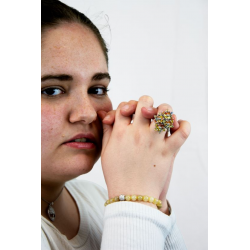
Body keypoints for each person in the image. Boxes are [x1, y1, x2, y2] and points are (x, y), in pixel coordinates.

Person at [41, 0, 191, 249]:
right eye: (52, 90)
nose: (88, 113)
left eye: (97, 89)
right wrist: (135, 204)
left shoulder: (100, 198)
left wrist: (153, 198)